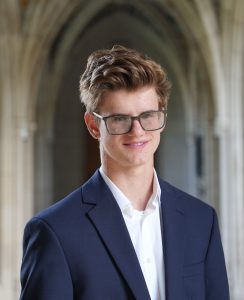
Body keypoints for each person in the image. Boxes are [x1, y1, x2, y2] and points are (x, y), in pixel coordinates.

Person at [20, 45, 229, 300]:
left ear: (162, 115)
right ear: (94, 125)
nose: (137, 131)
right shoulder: (55, 232)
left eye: (148, 116)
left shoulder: (201, 221)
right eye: (120, 119)